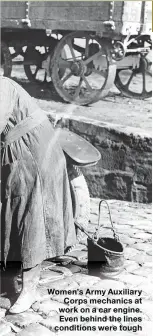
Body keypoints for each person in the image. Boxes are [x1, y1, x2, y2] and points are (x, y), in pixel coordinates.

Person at [0, 76, 76, 314]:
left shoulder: (2, 87)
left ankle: (30, 290)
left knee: (30, 218)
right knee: (11, 215)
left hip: (35, 155)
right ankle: (8, 282)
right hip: (15, 154)